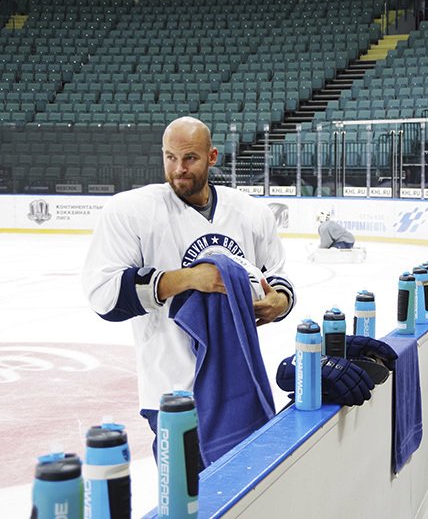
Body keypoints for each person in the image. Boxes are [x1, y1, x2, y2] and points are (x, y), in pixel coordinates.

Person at [82, 116, 295, 458]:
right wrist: (189, 278)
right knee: (187, 504)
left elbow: (278, 277)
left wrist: (279, 302)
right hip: (170, 393)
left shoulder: (251, 213)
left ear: (212, 157)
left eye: (190, 158)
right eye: (170, 157)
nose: (179, 168)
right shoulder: (130, 211)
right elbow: (104, 296)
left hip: (238, 387)